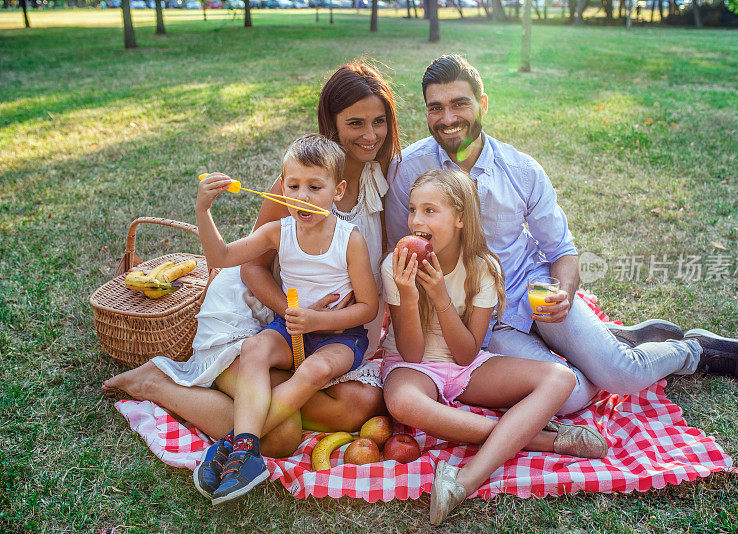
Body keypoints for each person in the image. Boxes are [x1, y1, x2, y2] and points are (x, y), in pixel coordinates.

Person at [385, 54, 738, 417]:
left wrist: (564, 295)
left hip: (531, 291)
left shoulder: (521, 170)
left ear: (482, 104)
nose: (448, 117)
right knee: (568, 396)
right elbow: (403, 248)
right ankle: (605, 340)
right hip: (480, 324)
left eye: (459, 103)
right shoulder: (409, 169)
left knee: (621, 375)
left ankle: (692, 351)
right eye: (436, 107)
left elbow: (563, 250)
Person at [103, 61, 399, 457]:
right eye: (355, 123)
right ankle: (157, 384)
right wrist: (294, 313)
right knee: (280, 438)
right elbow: (249, 265)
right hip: (259, 312)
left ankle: (261, 394)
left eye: (378, 121)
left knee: (358, 406)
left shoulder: (378, 179)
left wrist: (318, 321)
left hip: (320, 328)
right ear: (332, 124)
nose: (370, 134)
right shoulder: (296, 186)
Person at [381, 169, 607, 526]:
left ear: (459, 218)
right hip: (412, 366)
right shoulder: (396, 266)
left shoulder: (482, 269)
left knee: (560, 379)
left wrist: (440, 298)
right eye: (412, 209)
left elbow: (466, 355)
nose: (415, 220)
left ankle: (463, 480)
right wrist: (408, 296)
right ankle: (539, 441)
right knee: (403, 403)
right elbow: (411, 353)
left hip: (465, 364)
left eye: (429, 210)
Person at [194, 134, 379, 505]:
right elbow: (222, 256)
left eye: (315, 186)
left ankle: (231, 446)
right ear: (281, 188)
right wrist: (204, 211)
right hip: (291, 329)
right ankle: (246, 449)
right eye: (292, 186)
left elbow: (368, 308)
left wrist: (316, 321)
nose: (302, 196)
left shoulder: (349, 240)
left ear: (337, 190)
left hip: (339, 337)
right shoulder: (279, 232)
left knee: (313, 372)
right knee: (255, 347)